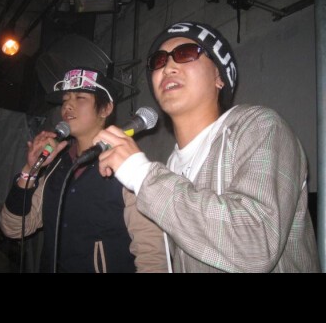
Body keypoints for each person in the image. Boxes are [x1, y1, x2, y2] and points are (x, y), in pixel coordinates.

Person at [93, 21, 320, 273]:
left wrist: (141, 174)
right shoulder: (170, 167)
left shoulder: (260, 127)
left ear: (219, 77)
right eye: (159, 60)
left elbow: (256, 245)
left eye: (185, 53)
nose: (168, 67)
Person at [0, 67, 167, 273]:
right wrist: (30, 169)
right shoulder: (57, 166)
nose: (68, 105)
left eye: (80, 98)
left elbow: (152, 252)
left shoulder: (127, 165)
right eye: (65, 99)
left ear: (105, 109)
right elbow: (13, 228)